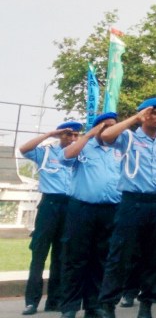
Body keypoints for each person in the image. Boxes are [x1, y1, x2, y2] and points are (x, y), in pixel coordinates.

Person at [96, 98, 156, 318]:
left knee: (153, 257)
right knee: (120, 255)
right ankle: (108, 305)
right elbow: (106, 136)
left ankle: (146, 305)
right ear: (145, 114)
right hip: (132, 202)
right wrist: (135, 117)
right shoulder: (129, 138)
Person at [58, 114, 121, 318]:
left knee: (101, 259)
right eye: (107, 127)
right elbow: (66, 156)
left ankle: (93, 305)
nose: (112, 130)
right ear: (98, 129)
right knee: (75, 258)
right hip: (82, 209)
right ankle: (70, 306)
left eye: (114, 127)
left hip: (109, 210)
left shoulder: (119, 151)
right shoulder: (83, 147)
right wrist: (87, 136)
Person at [20, 120, 81, 315]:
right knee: (39, 254)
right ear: (59, 135)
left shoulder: (78, 156)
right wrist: (49, 134)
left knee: (62, 256)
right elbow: (24, 148)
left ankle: (54, 300)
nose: (72, 138)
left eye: (75, 135)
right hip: (50, 206)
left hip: (70, 206)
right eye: (67, 134)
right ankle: (32, 301)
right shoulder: (46, 152)